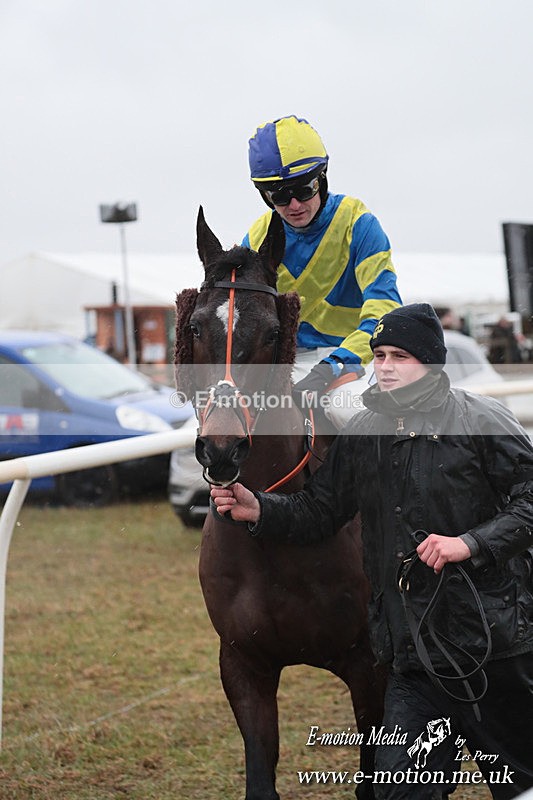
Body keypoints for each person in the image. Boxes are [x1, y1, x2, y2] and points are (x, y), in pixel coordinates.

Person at [211, 303, 533, 800]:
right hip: (412, 658)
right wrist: (261, 509)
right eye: (378, 354)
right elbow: (320, 512)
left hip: (494, 650)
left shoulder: (481, 419)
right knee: (397, 792)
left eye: (399, 355)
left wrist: (470, 543)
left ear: (431, 361)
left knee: (518, 788)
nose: (383, 366)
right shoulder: (362, 433)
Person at [243, 114, 402, 428]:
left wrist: (334, 366)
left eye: (304, 189)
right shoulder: (258, 237)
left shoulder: (358, 223)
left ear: (322, 178)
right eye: (278, 196)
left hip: (354, 359)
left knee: (351, 413)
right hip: (285, 364)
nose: (293, 205)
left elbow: (386, 311)